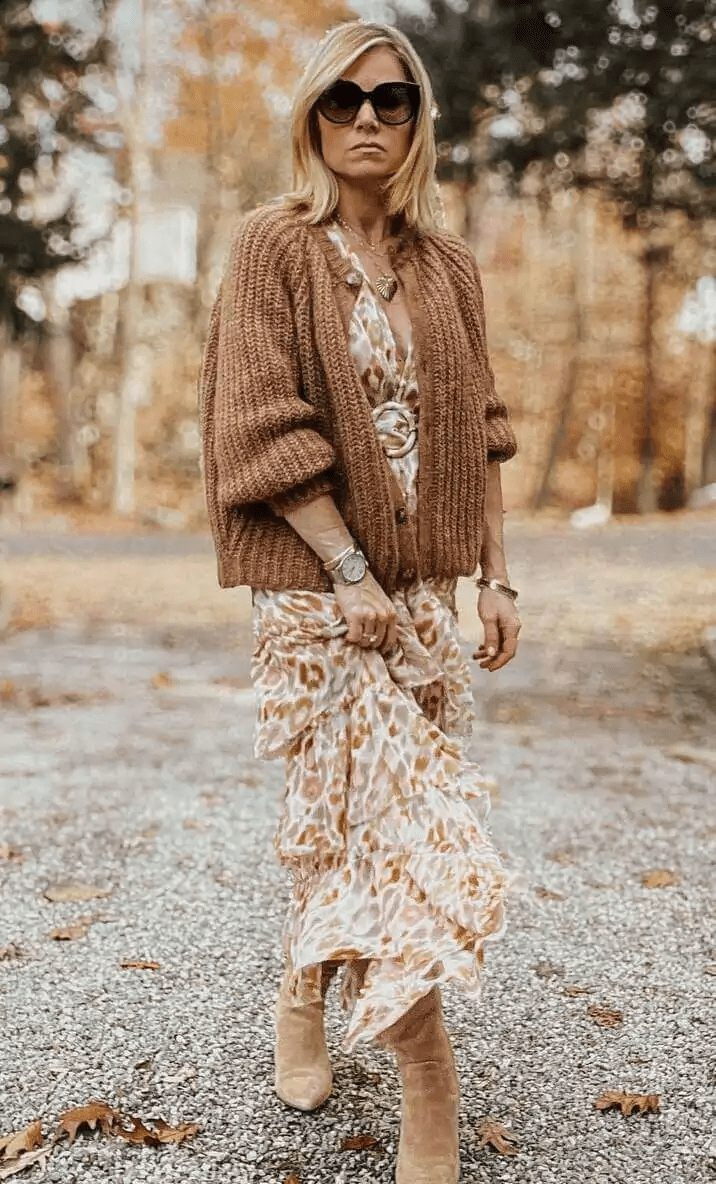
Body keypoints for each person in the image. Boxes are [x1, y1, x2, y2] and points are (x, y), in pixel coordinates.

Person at [198, 19, 520, 1184]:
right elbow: (259, 425)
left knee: (361, 825)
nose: (368, 118)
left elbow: (481, 433)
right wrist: (347, 574)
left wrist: (495, 574)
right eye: (344, 99)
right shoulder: (271, 248)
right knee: (395, 835)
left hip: (428, 597)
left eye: (391, 99)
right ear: (311, 115)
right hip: (314, 597)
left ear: (418, 118)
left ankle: (301, 983)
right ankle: (428, 1091)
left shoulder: (449, 269)